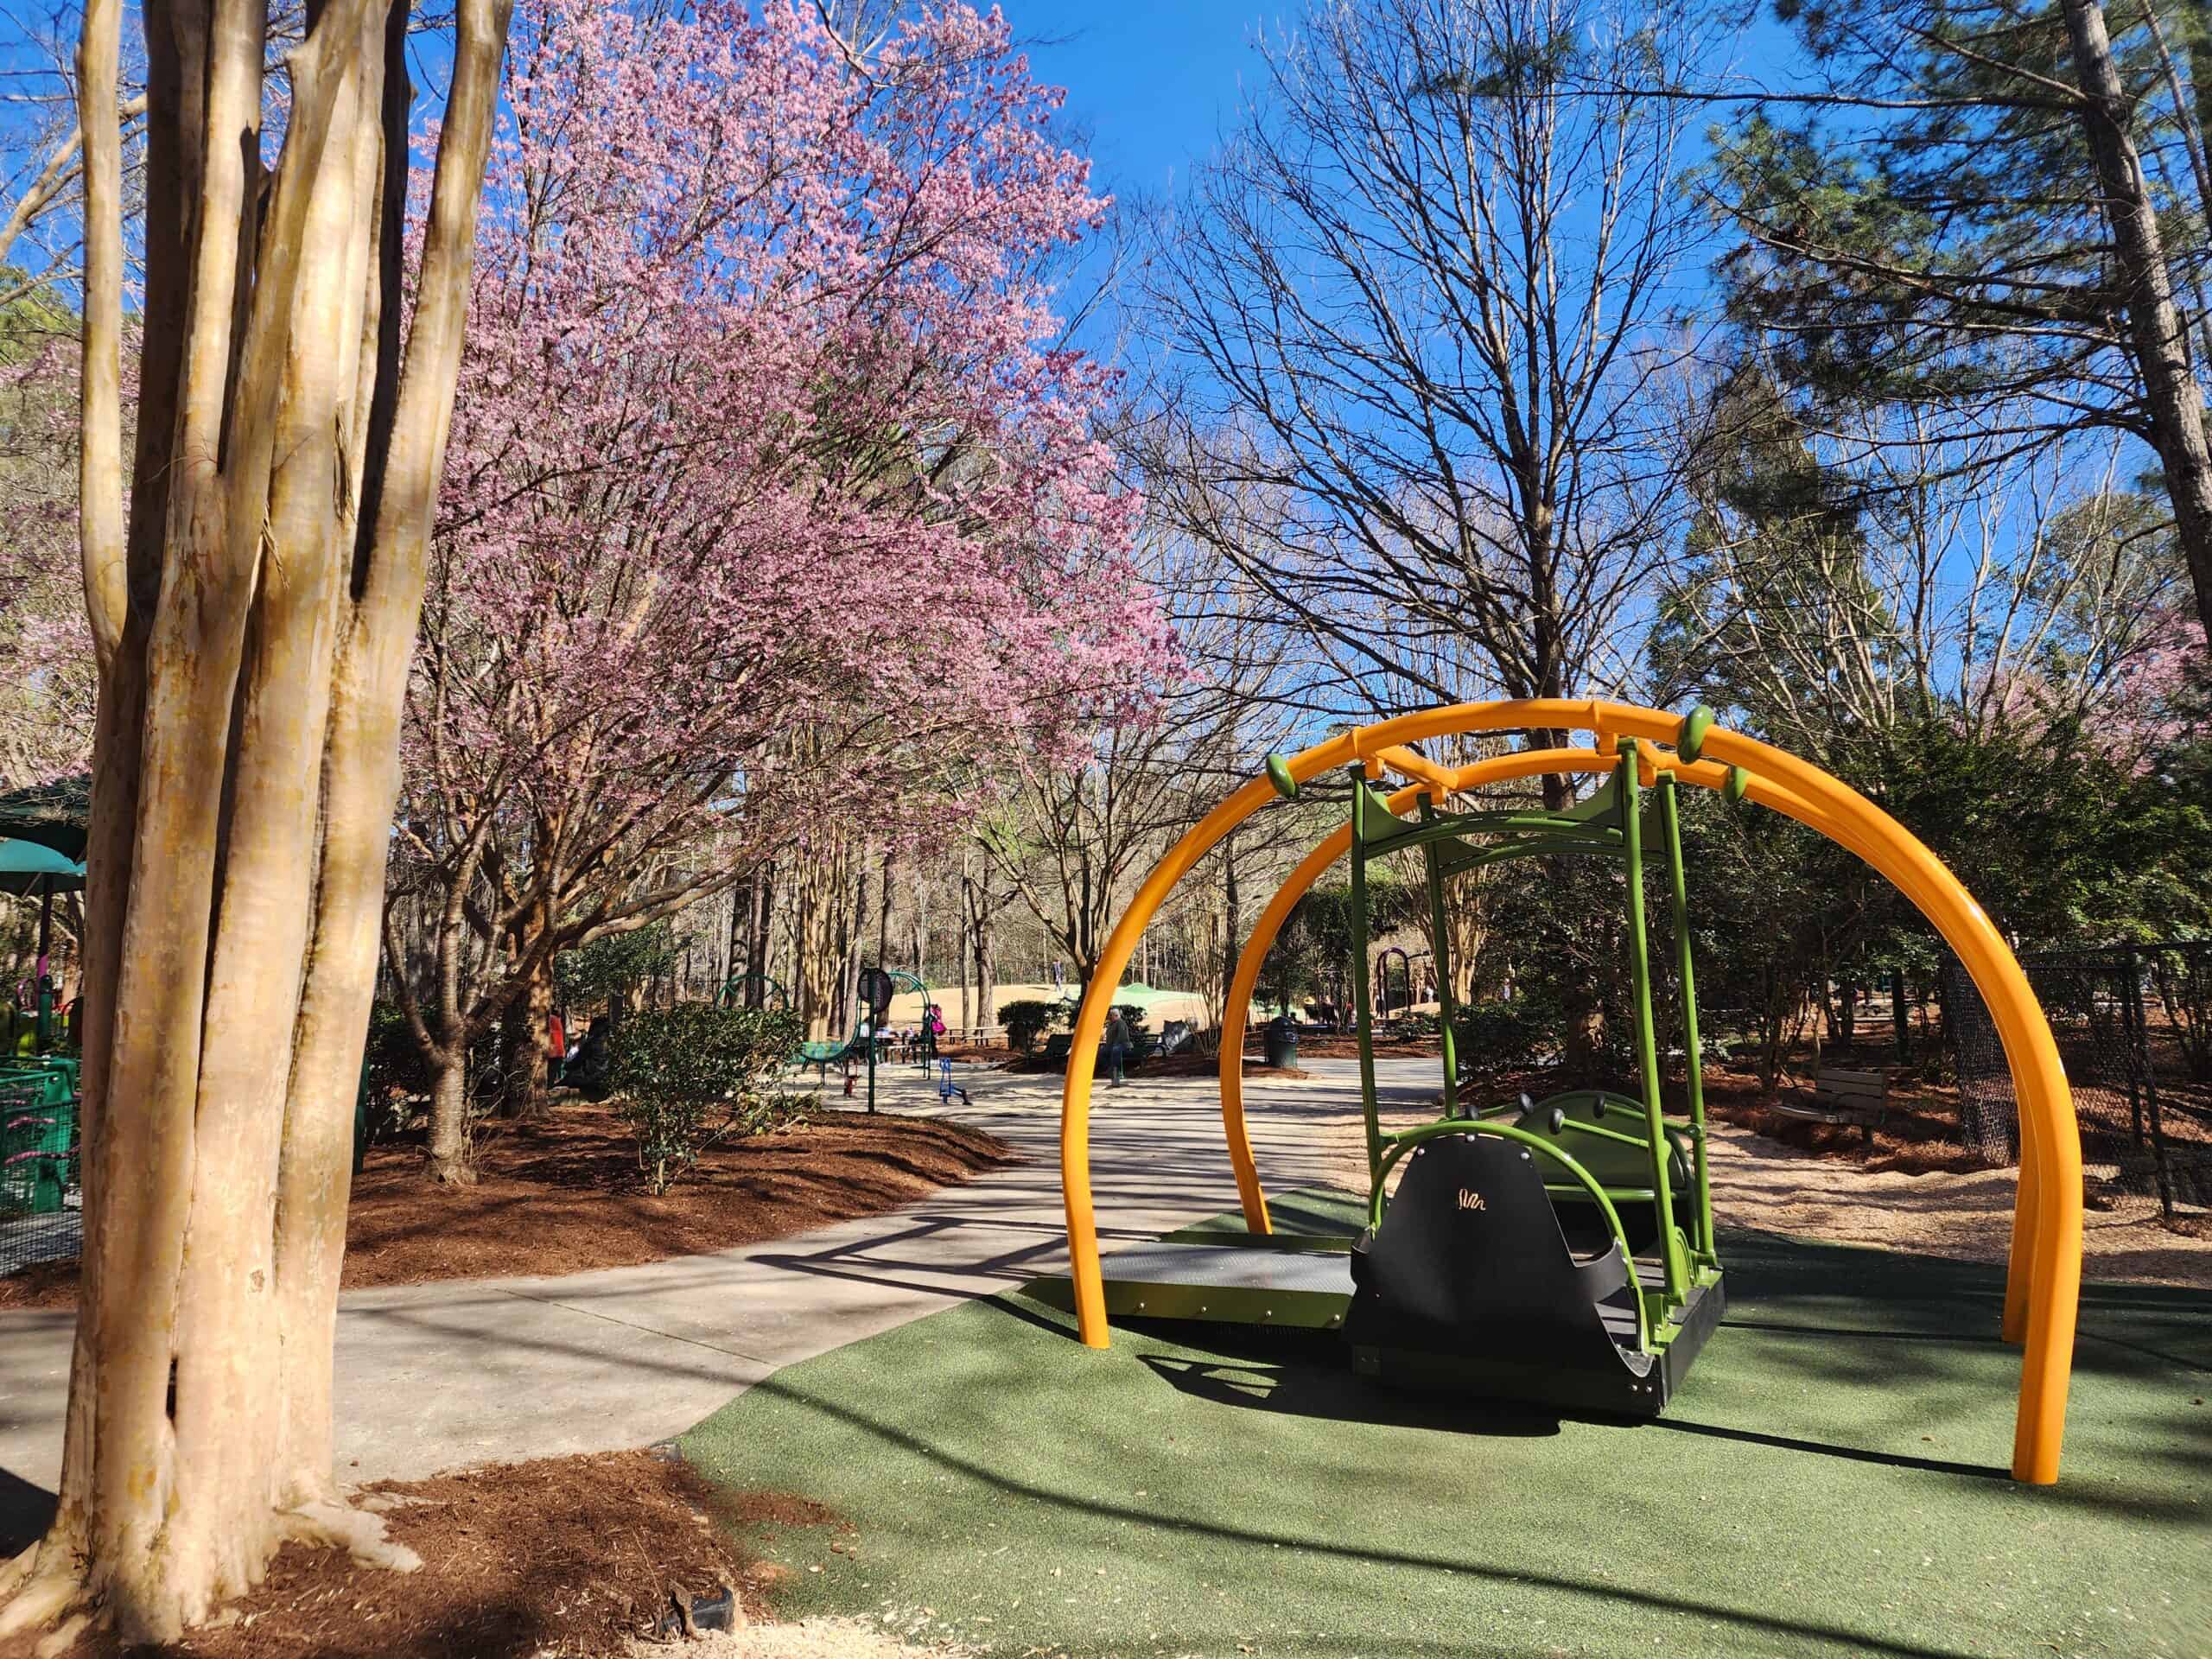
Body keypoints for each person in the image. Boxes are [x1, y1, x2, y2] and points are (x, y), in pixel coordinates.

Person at [1103, 1007, 1130, 1088]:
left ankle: (1116, 1073)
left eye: (1111, 1016)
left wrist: (1113, 1045)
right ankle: (1110, 1070)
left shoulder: (1120, 1023)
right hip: (1112, 1045)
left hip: (1122, 1045)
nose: (1109, 1017)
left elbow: (1121, 1036)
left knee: (1115, 1050)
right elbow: (1108, 1036)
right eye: (1109, 1015)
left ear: (1116, 1015)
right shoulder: (1111, 1024)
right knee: (1101, 1053)